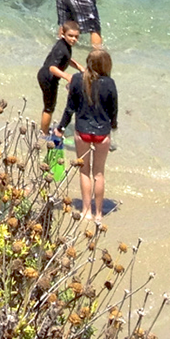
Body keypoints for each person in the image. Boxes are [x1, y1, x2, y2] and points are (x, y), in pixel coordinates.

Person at [58, 47, 118, 220]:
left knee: (84, 171)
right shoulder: (109, 83)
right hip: (102, 134)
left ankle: (86, 211)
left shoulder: (77, 79)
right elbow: (114, 110)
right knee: (99, 173)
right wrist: (112, 126)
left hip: (82, 131)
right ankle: (99, 213)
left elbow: (70, 108)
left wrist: (60, 127)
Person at [37, 21, 80, 138]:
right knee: (49, 108)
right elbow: (52, 68)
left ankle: (44, 130)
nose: (73, 39)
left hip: (46, 76)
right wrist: (67, 76)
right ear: (63, 34)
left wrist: (79, 67)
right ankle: (44, 134)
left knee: (51, 105)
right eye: (70, 36)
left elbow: (67, 59)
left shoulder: (64, 45)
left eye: (76, 37)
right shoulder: (61, 49)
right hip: (48, 79)